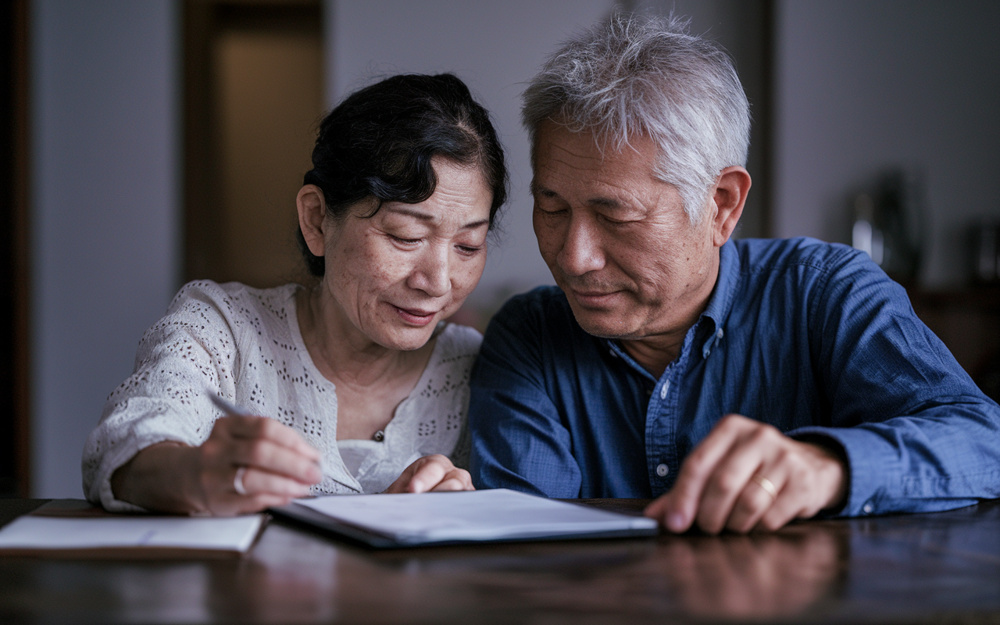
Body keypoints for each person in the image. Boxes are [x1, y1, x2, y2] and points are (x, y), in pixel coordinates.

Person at [468, 12, 1000, 534]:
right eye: (552, 208)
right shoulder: (530, 337)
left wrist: (827, 467)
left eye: (616, 216)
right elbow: (524, 543)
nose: (574, 258)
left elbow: (984, 440)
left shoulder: (824, 291)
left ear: (721, 204)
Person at [83, 73, 508, 516]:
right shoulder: (222, 327)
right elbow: (122, 448)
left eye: (467, 247)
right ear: (317, 219)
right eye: (405, 236)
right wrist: (194, 475)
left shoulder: (485, 370)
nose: (437, 282)